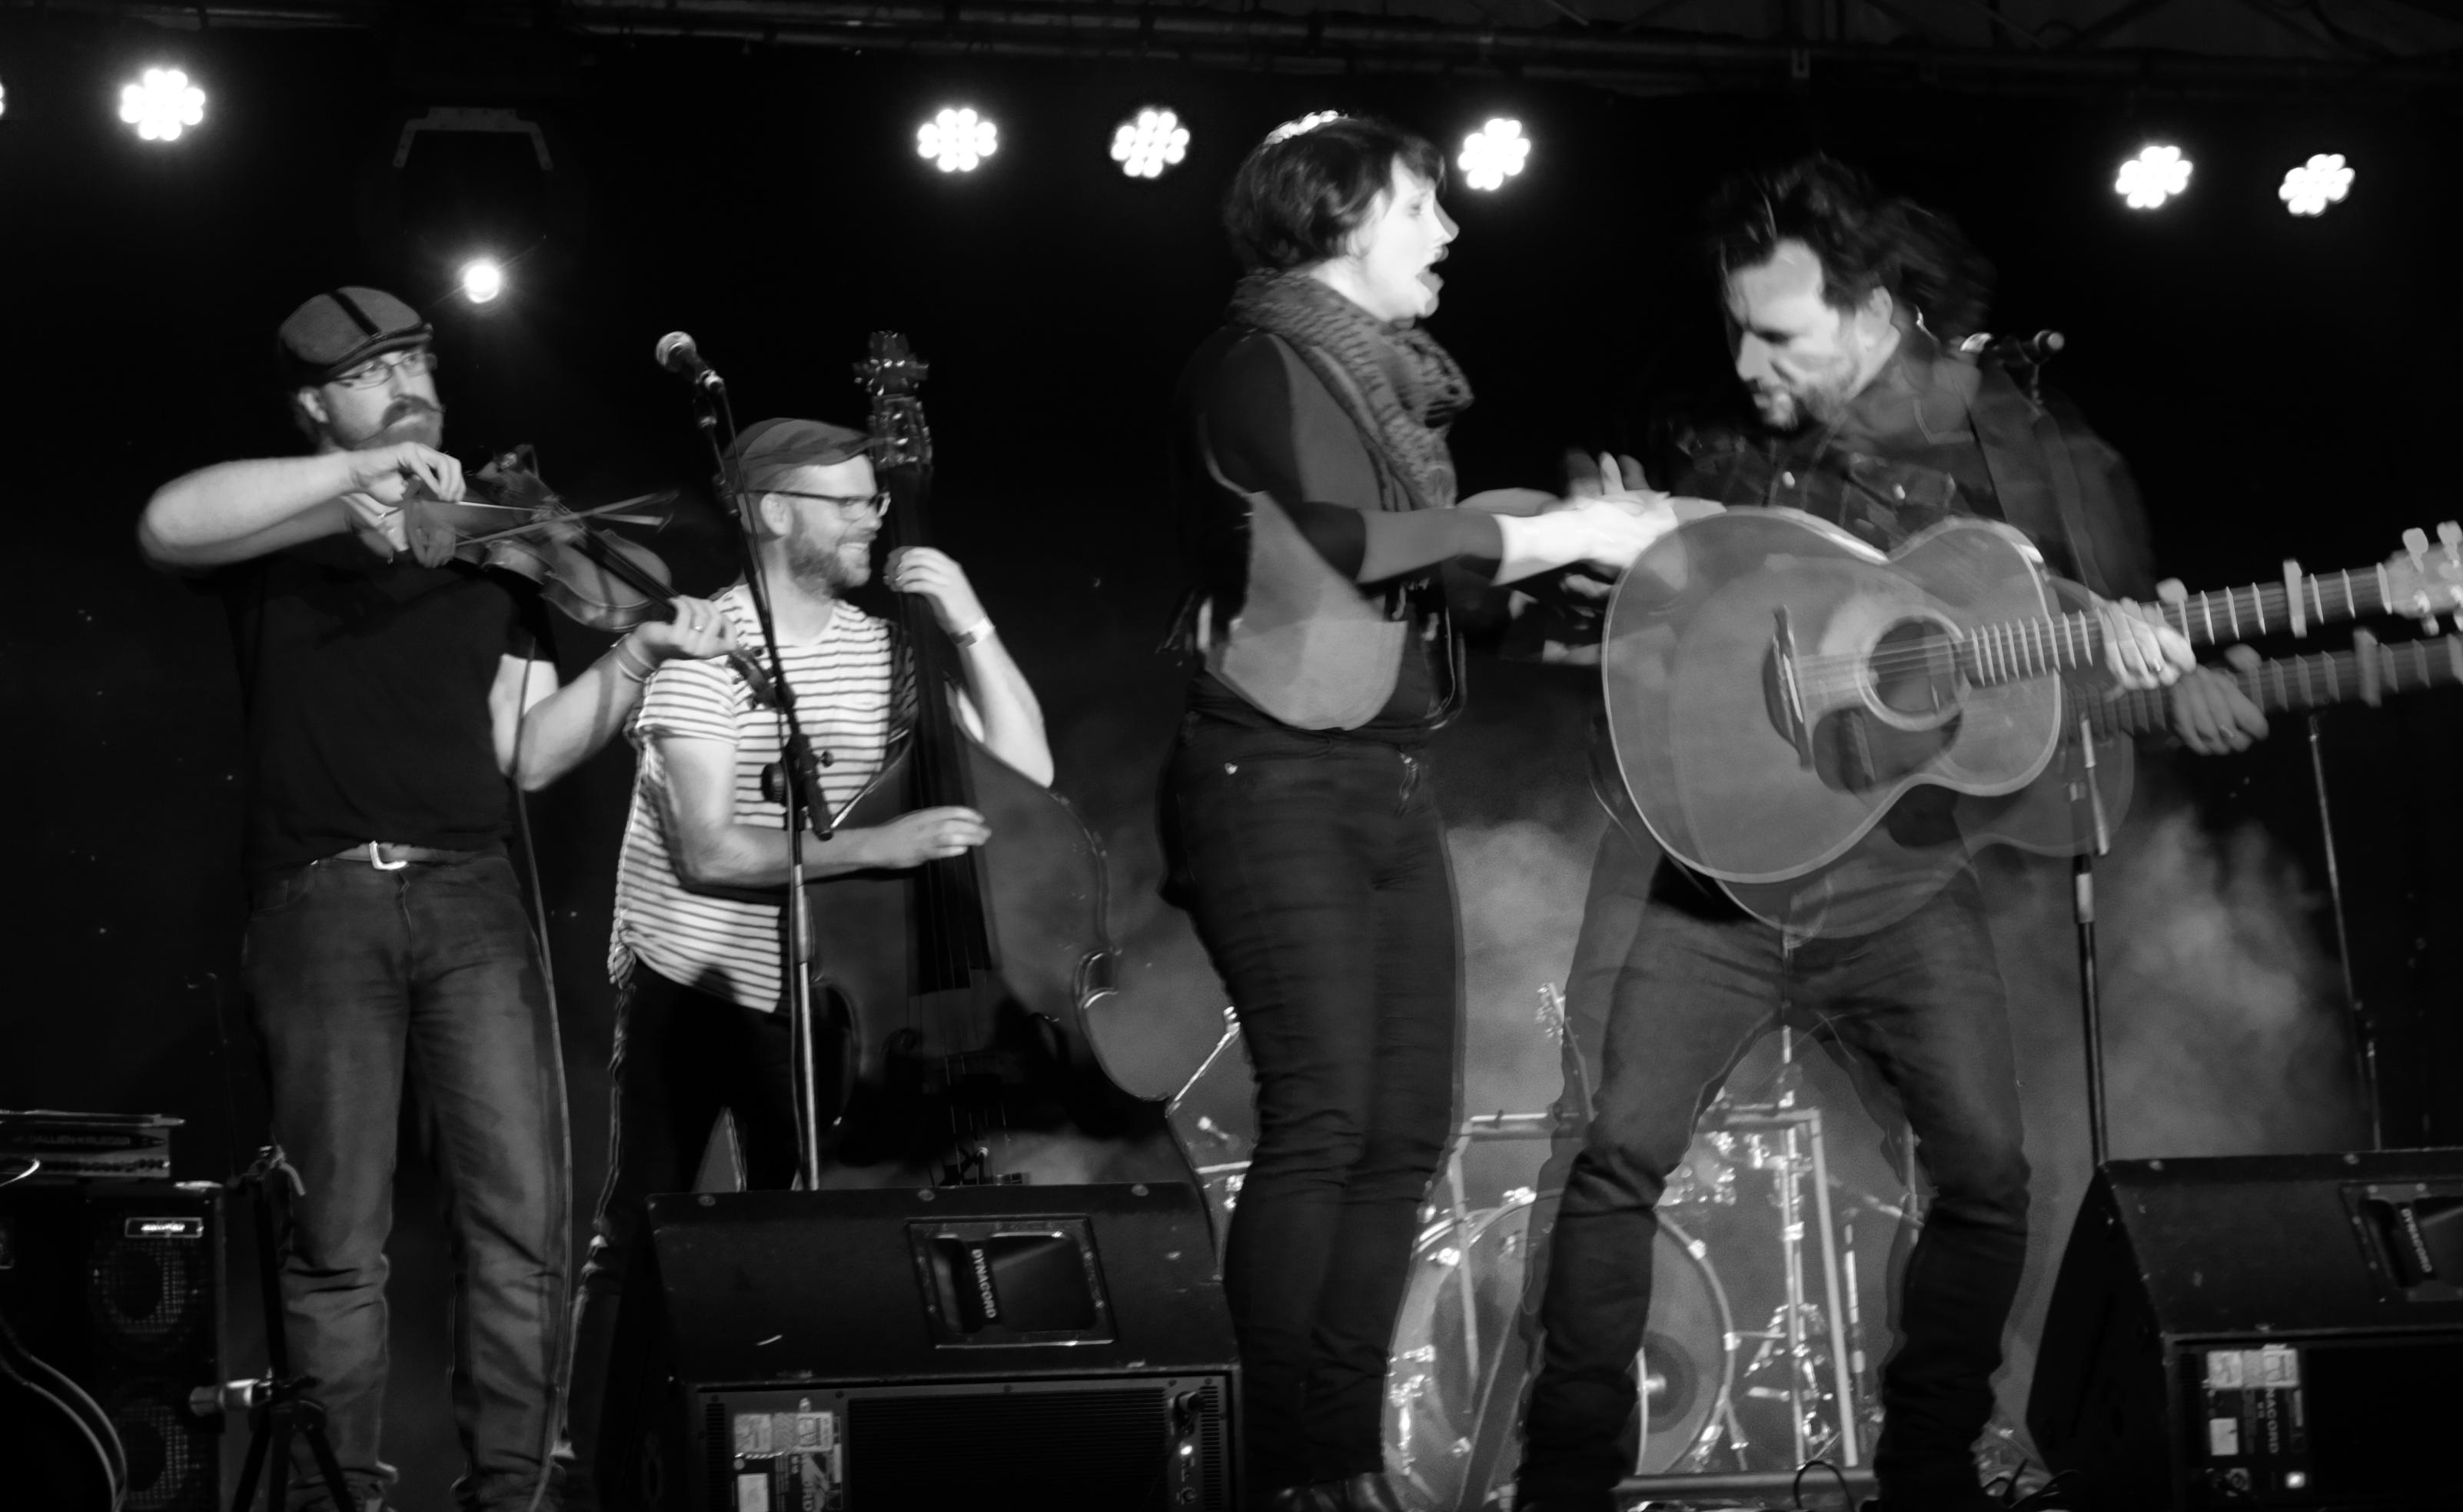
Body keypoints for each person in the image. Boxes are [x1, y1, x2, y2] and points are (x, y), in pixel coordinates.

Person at [1511, 157, 2267, 1512]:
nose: (1746, 361)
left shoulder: (2009, 443)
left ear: (1873, 311)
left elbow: (2048, 655)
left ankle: (1930, 1469)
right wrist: (1600, 574)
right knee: (1615, 1158)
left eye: (1778, 334)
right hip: (1711, 874)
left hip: (1900, 879)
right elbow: (1641, 607)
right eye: (1737, 327)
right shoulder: (1723, 428)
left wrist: (2139, 653)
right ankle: (1566, 1482)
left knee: (1988, 1174)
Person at [136, 286, 730, 1512]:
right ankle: (335, 1497)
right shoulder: (280, 528)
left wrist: (631, 656)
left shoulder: (485, 548)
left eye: (416, 361)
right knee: (336, 1237)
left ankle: (514, 1495)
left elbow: (528, 752)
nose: (406, 383)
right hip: (322, 900)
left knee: (519, 1222)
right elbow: (167, 522)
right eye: (370, 373)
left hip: (473, 899)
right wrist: (360, 474)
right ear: (316, 407)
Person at [1158, 112, 1677, 1512]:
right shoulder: (1255, 361)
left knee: (1404, 1130)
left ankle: (1340, 1460)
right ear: (1336, 218)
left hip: (1380, 777)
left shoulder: (1385, 397)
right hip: (1267, 777)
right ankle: (1277, 1469)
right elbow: (1337, 543)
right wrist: (1553, 533)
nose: (1448, 232)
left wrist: (1583, 568)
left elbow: (1443, 594)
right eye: (1419, 206)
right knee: (1325, 1119)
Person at [557, 416, 1054, 1508]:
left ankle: (785, 1480)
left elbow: (1027, 771)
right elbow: (709, 850)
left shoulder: (890, 651)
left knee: (810, 1239)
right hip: (693, 977)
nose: (877, 516)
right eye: (852, 501)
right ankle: (584, 1478)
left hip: (825, 992)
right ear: (777, 511)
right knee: (639, 1232)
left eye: (877, 498)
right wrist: (881, 845)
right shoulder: (705, 649)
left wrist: (969, 621)